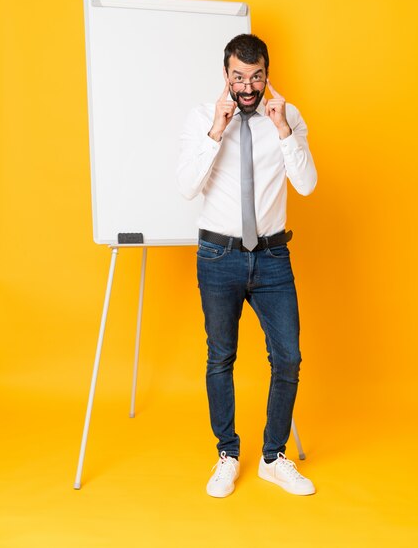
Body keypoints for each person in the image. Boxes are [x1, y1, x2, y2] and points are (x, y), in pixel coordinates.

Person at [177, 34, 317, 497]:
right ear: (226, 75)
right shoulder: (203, 118)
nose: (247, 86)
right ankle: (228, 453)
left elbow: (307, 185)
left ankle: (273, 458)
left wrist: (282, 130)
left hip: (273, 256)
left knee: (289, 357)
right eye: (238, 77)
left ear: (266, 74)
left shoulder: (288, 116)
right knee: (221, 357)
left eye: (256, 77)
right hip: (218, 257)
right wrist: (217, 130)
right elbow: (186, 187)